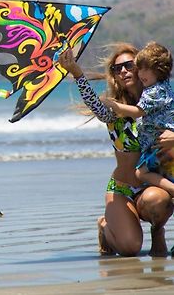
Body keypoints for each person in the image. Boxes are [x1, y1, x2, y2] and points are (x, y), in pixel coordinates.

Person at [58, 43, 174, 257]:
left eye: (129, 65)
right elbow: (96, 107)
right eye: (116, 68)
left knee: (158, 200)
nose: (123, 71)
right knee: (130, 248)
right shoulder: (115, 109)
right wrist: (77, 74)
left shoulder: (165, 101)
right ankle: (105, 226)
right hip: (123, 188)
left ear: (142, 67)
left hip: (153, 187)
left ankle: (157, 230)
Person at [103, 42, 174, 196]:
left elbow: (137, 112)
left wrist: (115, 106)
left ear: (157, 70)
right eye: (139, 68)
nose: (141, 73)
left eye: (132, 66)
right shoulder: (165, 87)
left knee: (141, 173)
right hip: (160, 147)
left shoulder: (153, 92)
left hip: (160, 144)